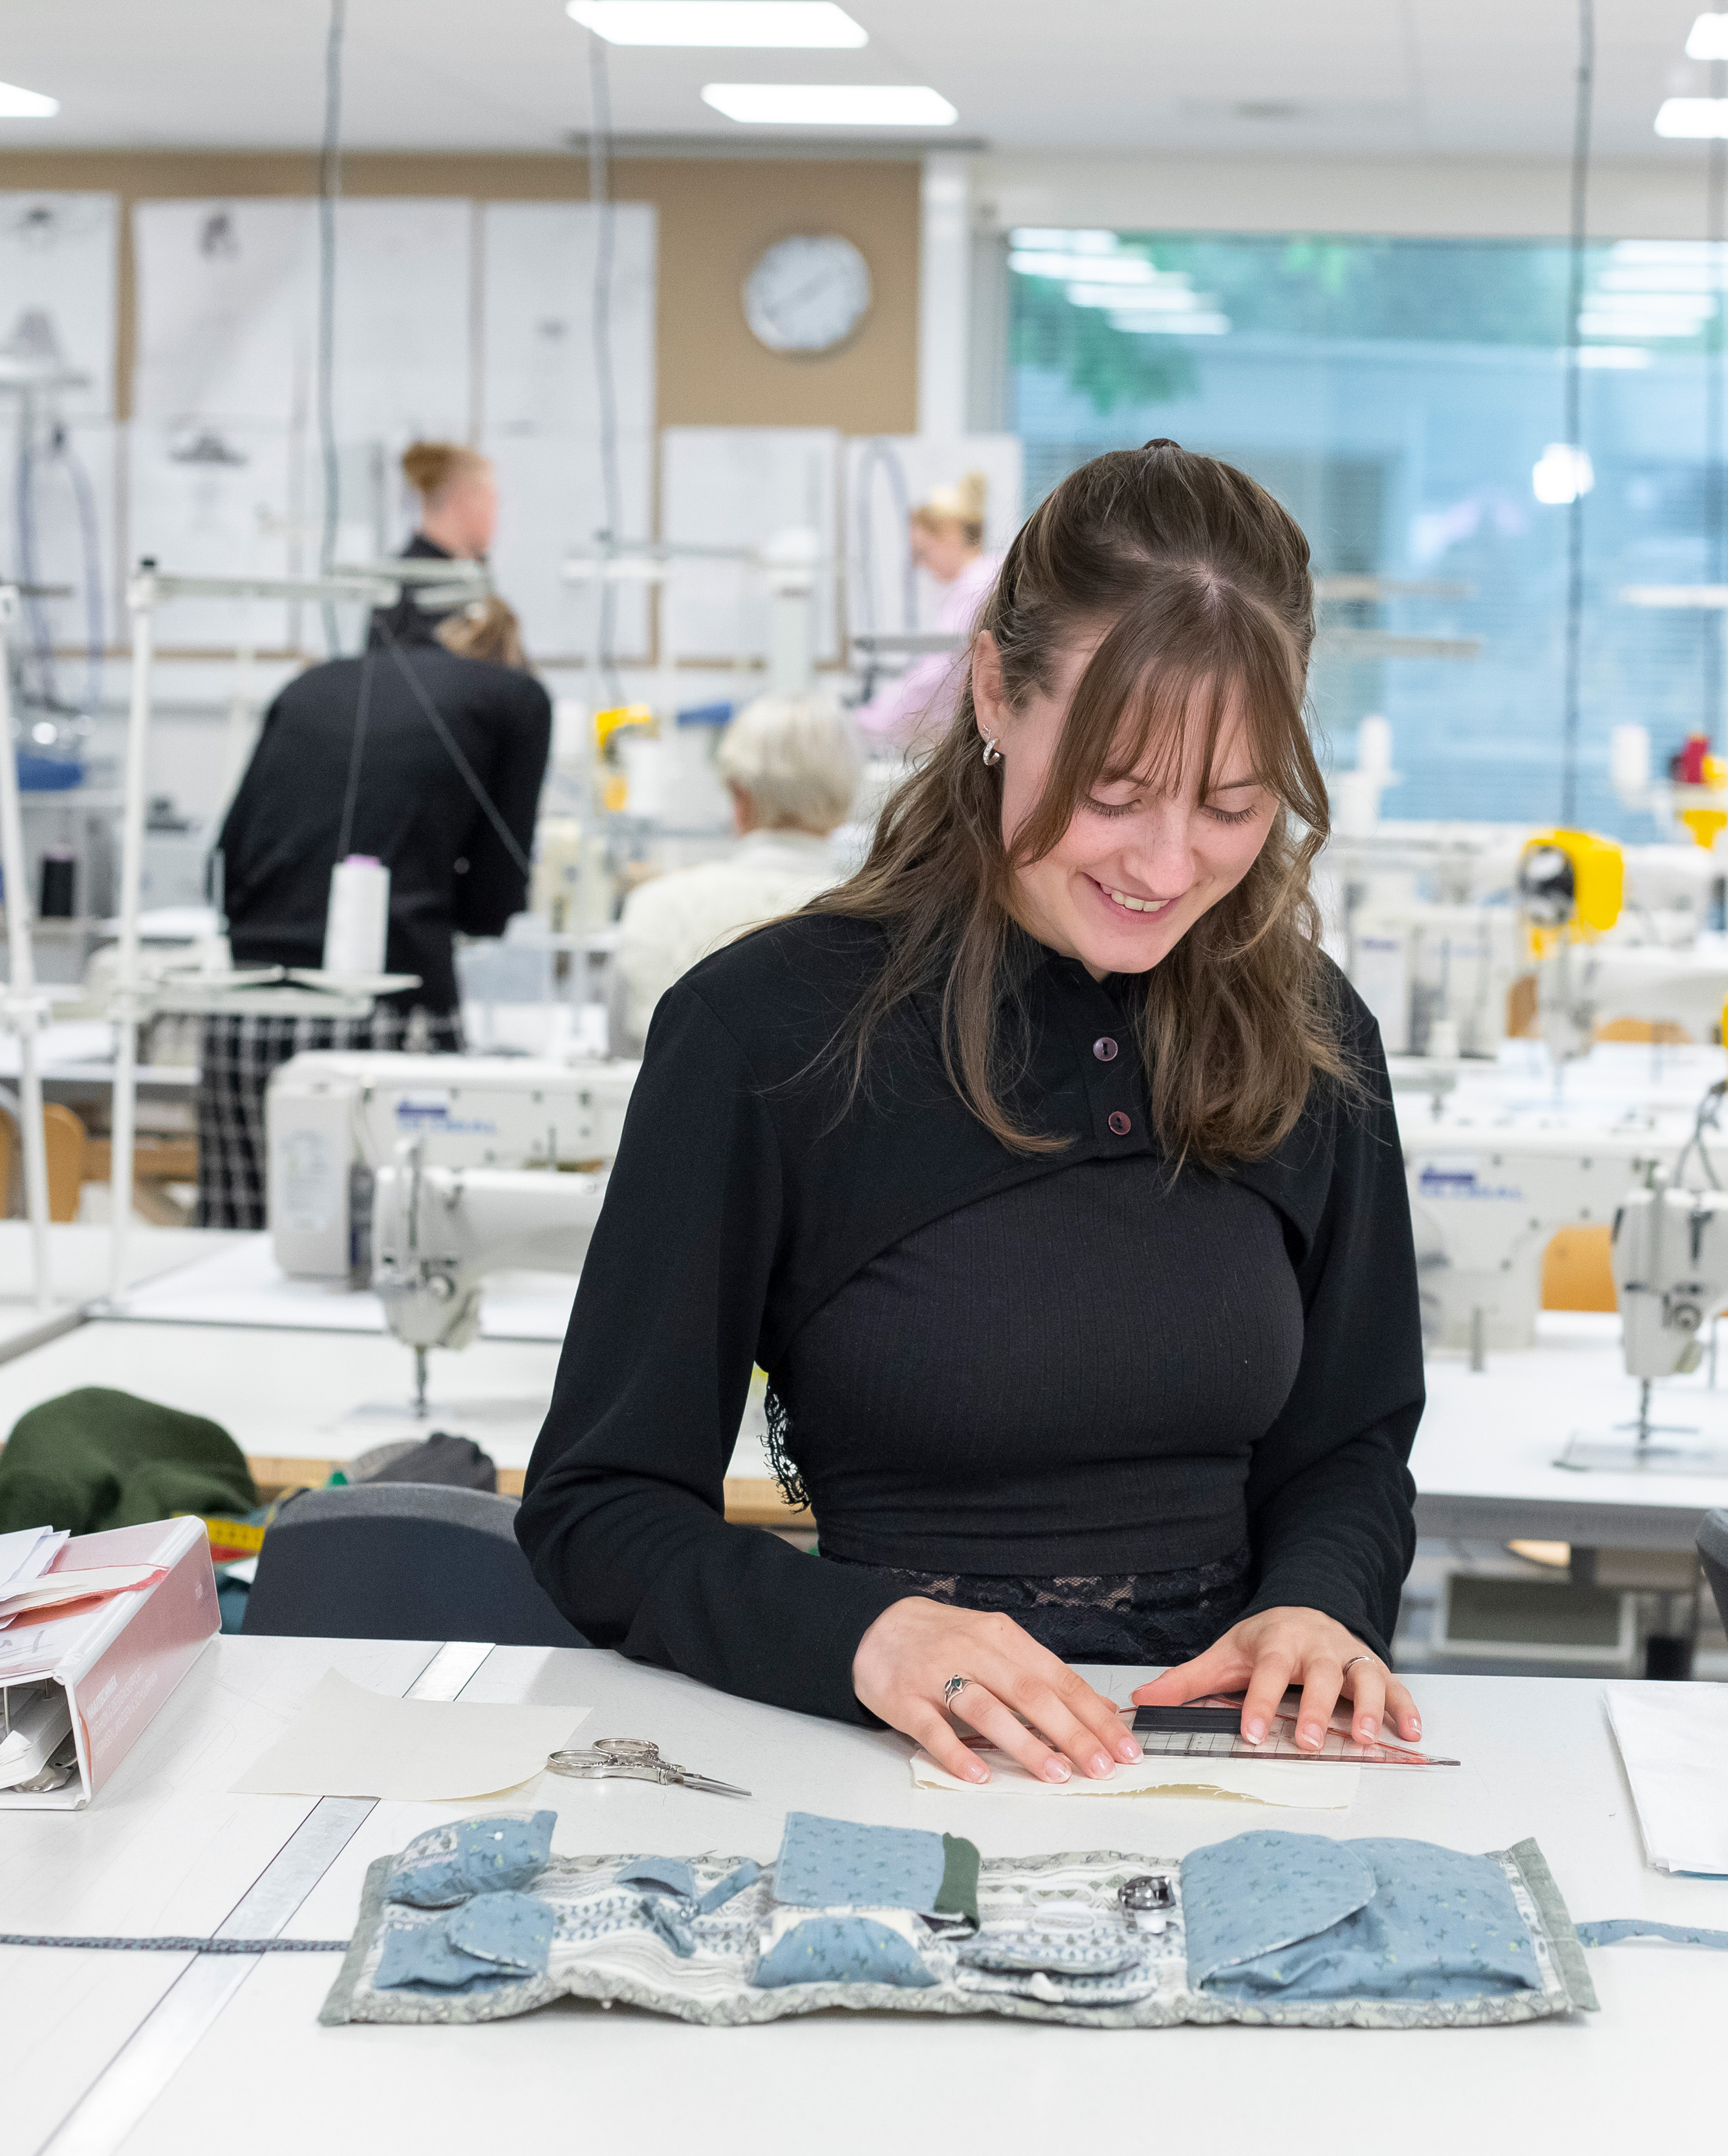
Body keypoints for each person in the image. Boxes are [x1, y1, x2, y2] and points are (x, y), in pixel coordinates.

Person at [520, 441, 1426, 1787]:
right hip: (886, 1769)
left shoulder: (1308, 1032)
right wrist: (859, 1633)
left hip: (1229, 1772)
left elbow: (1351, 1443)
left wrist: (1319, 1601)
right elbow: (598, 1511)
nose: (1167, 863)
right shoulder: (767, 1031)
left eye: (1233, 805)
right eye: (1114, 792)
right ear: (996, 691)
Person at [197, 596, 551, 1229]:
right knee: (393, 1247)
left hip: (244, 1017)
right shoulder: (514, 698)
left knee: (241, 1248)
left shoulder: (308, 686)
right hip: (386, 1024)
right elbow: (493, 902)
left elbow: (225, 862)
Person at [609, 695, 861, 1056]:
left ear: (739, 796)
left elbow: (621, 1060)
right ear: (845, 799)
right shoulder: (871, 919)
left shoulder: (654, 907)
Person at [847, 473, 999, 749]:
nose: (918, 565)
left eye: (922, 552)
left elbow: (937, 677)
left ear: (950, 539)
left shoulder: (977, 586)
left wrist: (873, 722)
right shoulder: (985, 576)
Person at [372, 441, 498, 650]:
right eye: (491, 499)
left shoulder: (402, 573)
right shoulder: (432, 586)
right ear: (464, 499)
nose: (495, 513)